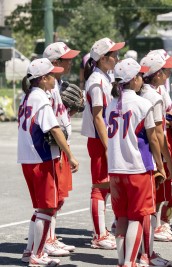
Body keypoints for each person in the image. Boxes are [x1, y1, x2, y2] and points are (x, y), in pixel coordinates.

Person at [18, 58, 79, 266]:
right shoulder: (41, 98)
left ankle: (30, 251)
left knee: (40, 209)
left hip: (28, 158)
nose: (55, 78)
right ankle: (37, 254)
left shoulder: (27, 97)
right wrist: (69, 154)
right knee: (47, 209)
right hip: (42, 158)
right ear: (43, 79)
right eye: (52, 75)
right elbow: (53, 129)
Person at [106, 58, 166, 267]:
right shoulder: (143, 104)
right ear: (133, 80)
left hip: (115, 167)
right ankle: (131, 262)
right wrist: (160, 164)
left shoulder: (112, 104)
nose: (141, 79)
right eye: (139, 76)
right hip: (137, 168)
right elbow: (154, 138)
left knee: (121, 217)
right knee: (138, 218)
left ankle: (123, 261)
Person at [81, 37, 125, 250]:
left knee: (110, 184)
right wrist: (108, 147)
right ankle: (99, 235)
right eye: (114, 54)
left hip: (107, 137)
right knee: (100, 186)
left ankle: (110, 227)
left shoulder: (105, 77)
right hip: (100, 139)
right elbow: (98, 117)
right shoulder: (96, 81)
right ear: (103, 58)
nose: (117, 57)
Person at [40, 41, 81, 257]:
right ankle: (46, 240)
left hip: (60, 147)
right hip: (52, 149)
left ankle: (51, 237)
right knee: (51, 199)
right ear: (55, 62)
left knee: (59, 197)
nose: (71, 62)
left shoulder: (57, 84)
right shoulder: (46, 87)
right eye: (67, 60)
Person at [138, 50, 172, 266]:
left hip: (136, 155)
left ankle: (141, 252)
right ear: (157, 74)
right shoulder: (154, 96)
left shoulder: (139, 93)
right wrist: (166, 164)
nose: (168, 71)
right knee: (150, 207)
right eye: (165, 69)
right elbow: (158, 134)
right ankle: (147, 253)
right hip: (151, 158)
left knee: (138, 209)